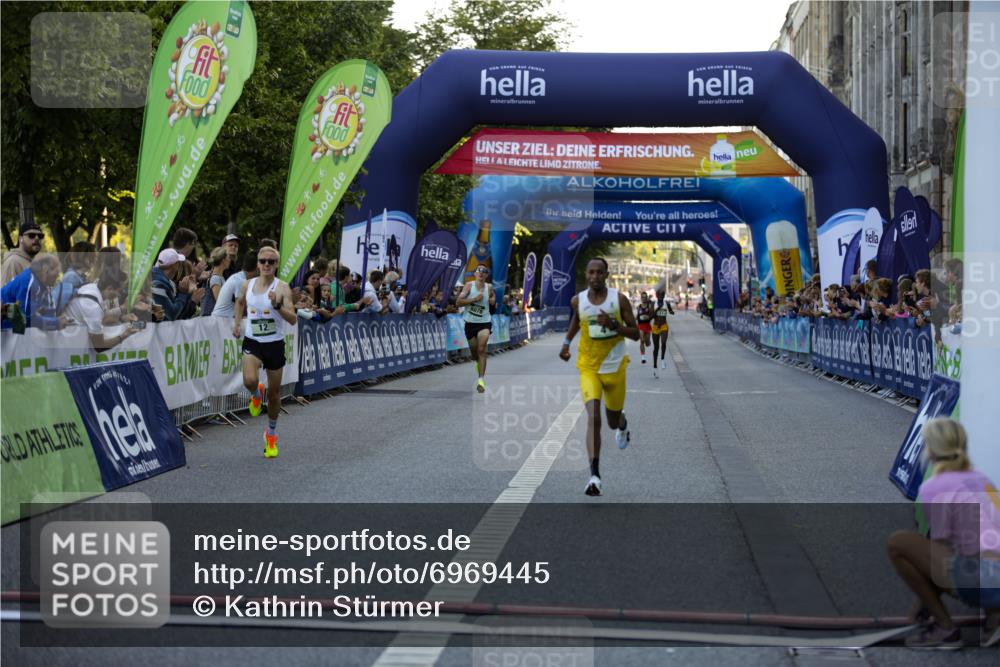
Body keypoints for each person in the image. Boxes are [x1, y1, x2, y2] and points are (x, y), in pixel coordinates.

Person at [887, 418, 1000, 649]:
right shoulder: (982, 479)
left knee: (899, 543)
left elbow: (941, 551)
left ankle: (945, 629)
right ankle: (995, 618)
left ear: (929, 449)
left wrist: (924, 600)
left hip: (989, 580)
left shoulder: (934, 487)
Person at [559, 258, 640, 497]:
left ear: (606, 275)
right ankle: (594, 476)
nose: (594, 276)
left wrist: (615, 326)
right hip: (589, 368)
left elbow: (636, 334)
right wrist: (566, 344)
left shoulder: (619, 300)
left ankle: (622, 425)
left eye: (599, 272)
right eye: (591, 272)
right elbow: (577, 320)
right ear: (587, 274)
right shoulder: (578, 300)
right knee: (593, 417)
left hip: (615, 370)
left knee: (612, 421)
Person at [233, 246, 297, 458]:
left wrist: (277, 307)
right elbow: (240, 301)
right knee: (249, 381)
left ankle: (271, 435)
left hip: (274, 344)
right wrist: (237, 324)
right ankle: (255, 394)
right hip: (253, 340)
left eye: (271, 261)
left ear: (276, 264)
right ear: (258, 263)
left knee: (275, 394)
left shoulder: (283, 287)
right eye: (263, 261)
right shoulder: (247, 284)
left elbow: (293, 319)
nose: (266, 265)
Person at [65, 267, 140, 351]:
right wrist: (125, 335)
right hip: (70, 347)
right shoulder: (93, 307)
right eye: (119, 291)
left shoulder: (92, 288)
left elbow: (102, 315)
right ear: (110, 288)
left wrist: (122, 318)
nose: (119, 295)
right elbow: (99, 346)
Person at [1, 253, 70, 330]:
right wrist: (55, 323)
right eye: (56, 274)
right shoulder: (28, 281)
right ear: (45, 270)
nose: (57, 276)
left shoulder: (45, 286)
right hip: (6, 330)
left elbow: (50, 314)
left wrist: (61, 321)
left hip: (16, 328)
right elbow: (25, 317)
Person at [456, 265, 496, 393]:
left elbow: (493, 299)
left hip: (484, 322)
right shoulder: (468, 286)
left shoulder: (489, 287)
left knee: (482, 348)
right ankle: (477, 362)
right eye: (479, 270)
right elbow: (458, 302)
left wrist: (493, 301)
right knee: (474, 353)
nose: (481, 272)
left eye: (484, 271)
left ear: (486, 275)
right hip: (470, 323)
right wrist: (474, 299)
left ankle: (481, 380)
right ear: (475, 273)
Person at [151, 248, 197, 321]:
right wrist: (183, 293)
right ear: (175, 265)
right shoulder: (159, 284)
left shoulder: (156, 278)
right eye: (178, 263)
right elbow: (171, 315)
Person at [213, 251, 256, 318]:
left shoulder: (238, 277)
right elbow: (240, 309)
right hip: (222, 321)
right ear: (257, 269)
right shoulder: (240, 281)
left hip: (224, 320)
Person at [201, 247, 230, 317]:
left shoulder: (220, 277)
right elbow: (220, 302)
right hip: (211, 320)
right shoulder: (216, 278)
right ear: (223, 260)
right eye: (228, 258)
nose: (230, 260)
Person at [650, 292, 673, 378]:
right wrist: (657, 309)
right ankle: (655, 367)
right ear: (657, 296)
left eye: (663, 295)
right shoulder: (653, 304)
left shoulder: (667, 303)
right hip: (655, 327)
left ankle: (662, 359)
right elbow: (651, 316)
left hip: (664, 326)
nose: (661, 297)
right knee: (656, 348)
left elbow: (670, 311)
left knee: (663, 342)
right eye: (660, 295)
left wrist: (671, 311)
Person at [635, 292, 653, 366]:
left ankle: (648, 342)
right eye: (642, 297)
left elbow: (652, 315)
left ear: (646, 298)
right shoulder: (638, 307)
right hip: (640, 325)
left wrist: (648, 317)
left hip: (647, 326)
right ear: (641, 298)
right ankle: (643, 357)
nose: (643, 298)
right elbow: (637, 316)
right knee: (641, 341)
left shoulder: (649, 306)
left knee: (647, 343)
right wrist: (634, 320)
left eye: (644, 297)